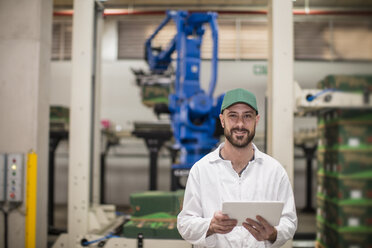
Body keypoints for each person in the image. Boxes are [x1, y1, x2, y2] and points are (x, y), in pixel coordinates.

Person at [177, 88, 297, 248]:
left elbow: (289, 221)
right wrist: (210, 226)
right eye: (233, 116)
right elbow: (185, 223)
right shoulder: (201, 170)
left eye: (247, 116)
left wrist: (273, 233)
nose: (240, 124)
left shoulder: (274, 171)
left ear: (257, 120)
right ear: (222, 120)